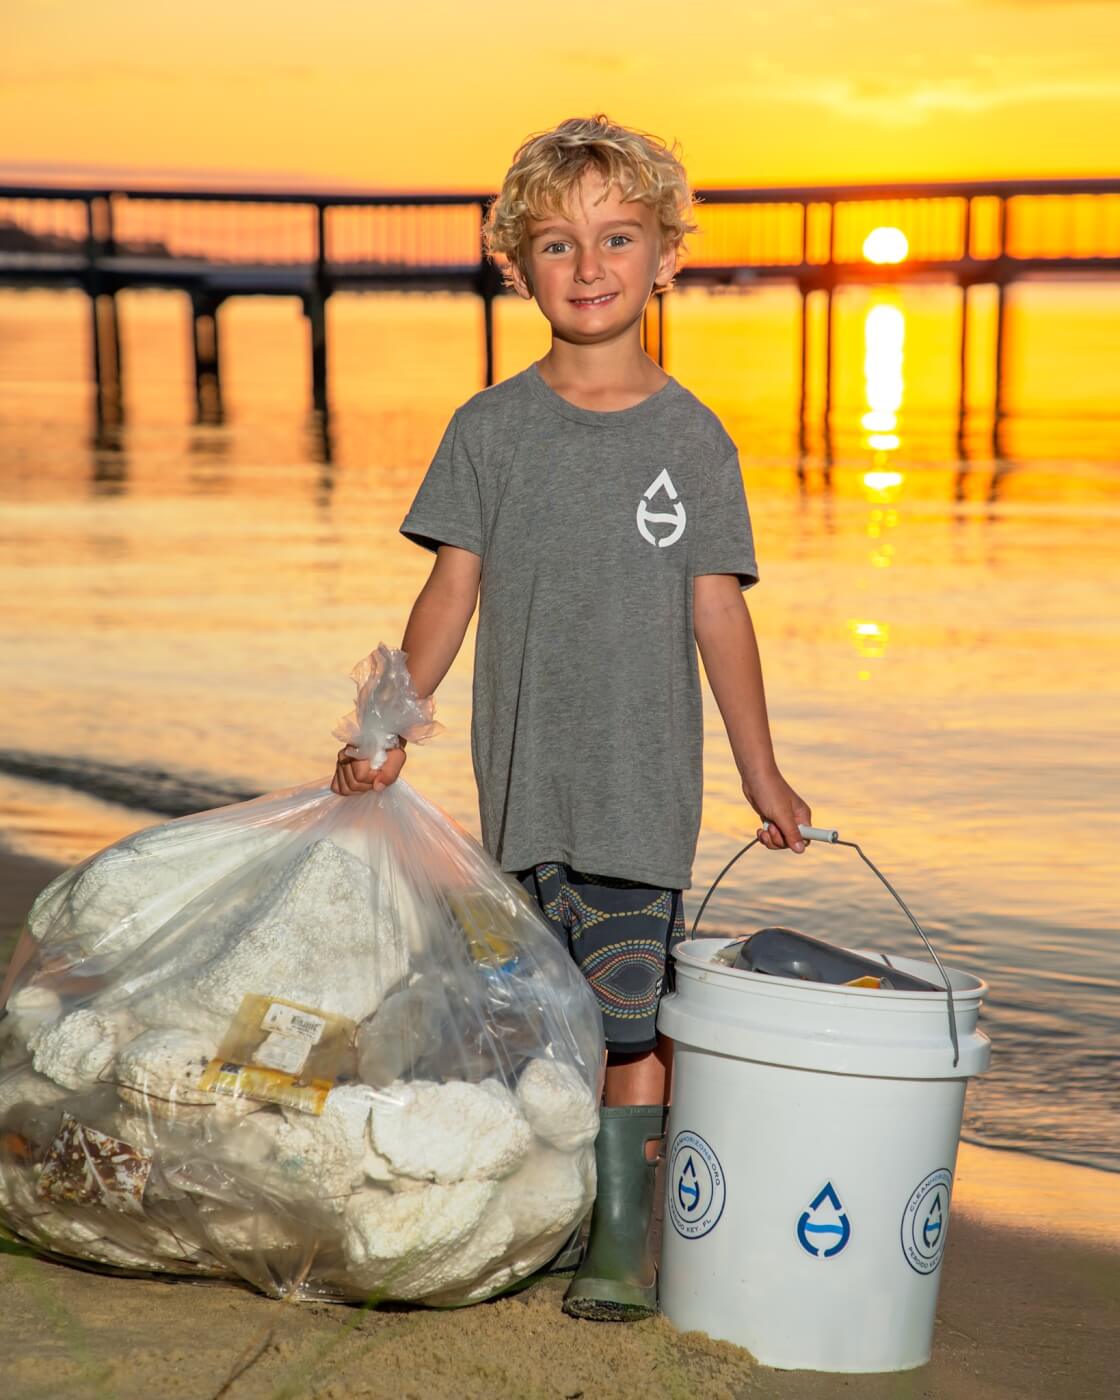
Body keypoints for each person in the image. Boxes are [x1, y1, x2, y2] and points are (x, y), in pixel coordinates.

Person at [332, 114, 811, 1321]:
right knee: (539, 1017)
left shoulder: (693, 440)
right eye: (556, 244)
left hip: (641, 793)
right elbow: (450, 587)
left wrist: (763, 771)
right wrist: (388, 720)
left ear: (666, 259)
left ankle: (618, 1236)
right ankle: (547, 1212)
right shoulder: (487, 430)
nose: (588, 266)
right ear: (514, 264)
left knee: (628, 1019)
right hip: (523, 785)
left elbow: (718, 617)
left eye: (616, 239)